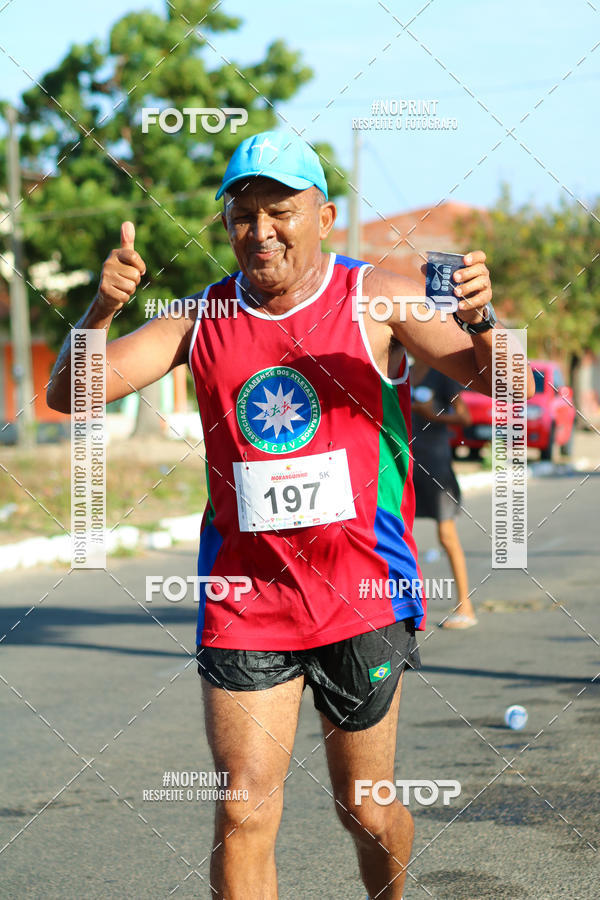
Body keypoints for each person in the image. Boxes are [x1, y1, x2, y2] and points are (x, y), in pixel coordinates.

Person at [47, 130, 534, 899]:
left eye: (280, 210)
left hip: (364, 593)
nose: (260, 230)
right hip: (247, 599)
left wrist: (482, 320)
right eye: (243, 214)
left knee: (367, 811)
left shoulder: (379, 296)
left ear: (325, 217)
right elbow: (70, 393)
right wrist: (102, 309)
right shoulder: (200, 317)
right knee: (244, 808)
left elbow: (512, 385)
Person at [410, 359, 478, 628]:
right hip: (404, 461)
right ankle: (403, 609)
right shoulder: (404, 370)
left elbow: (465, 417)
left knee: (446, 534)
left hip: (435, 461)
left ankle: (466, 605)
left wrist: (433, 416)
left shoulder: (442, 374)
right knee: (399, 534)